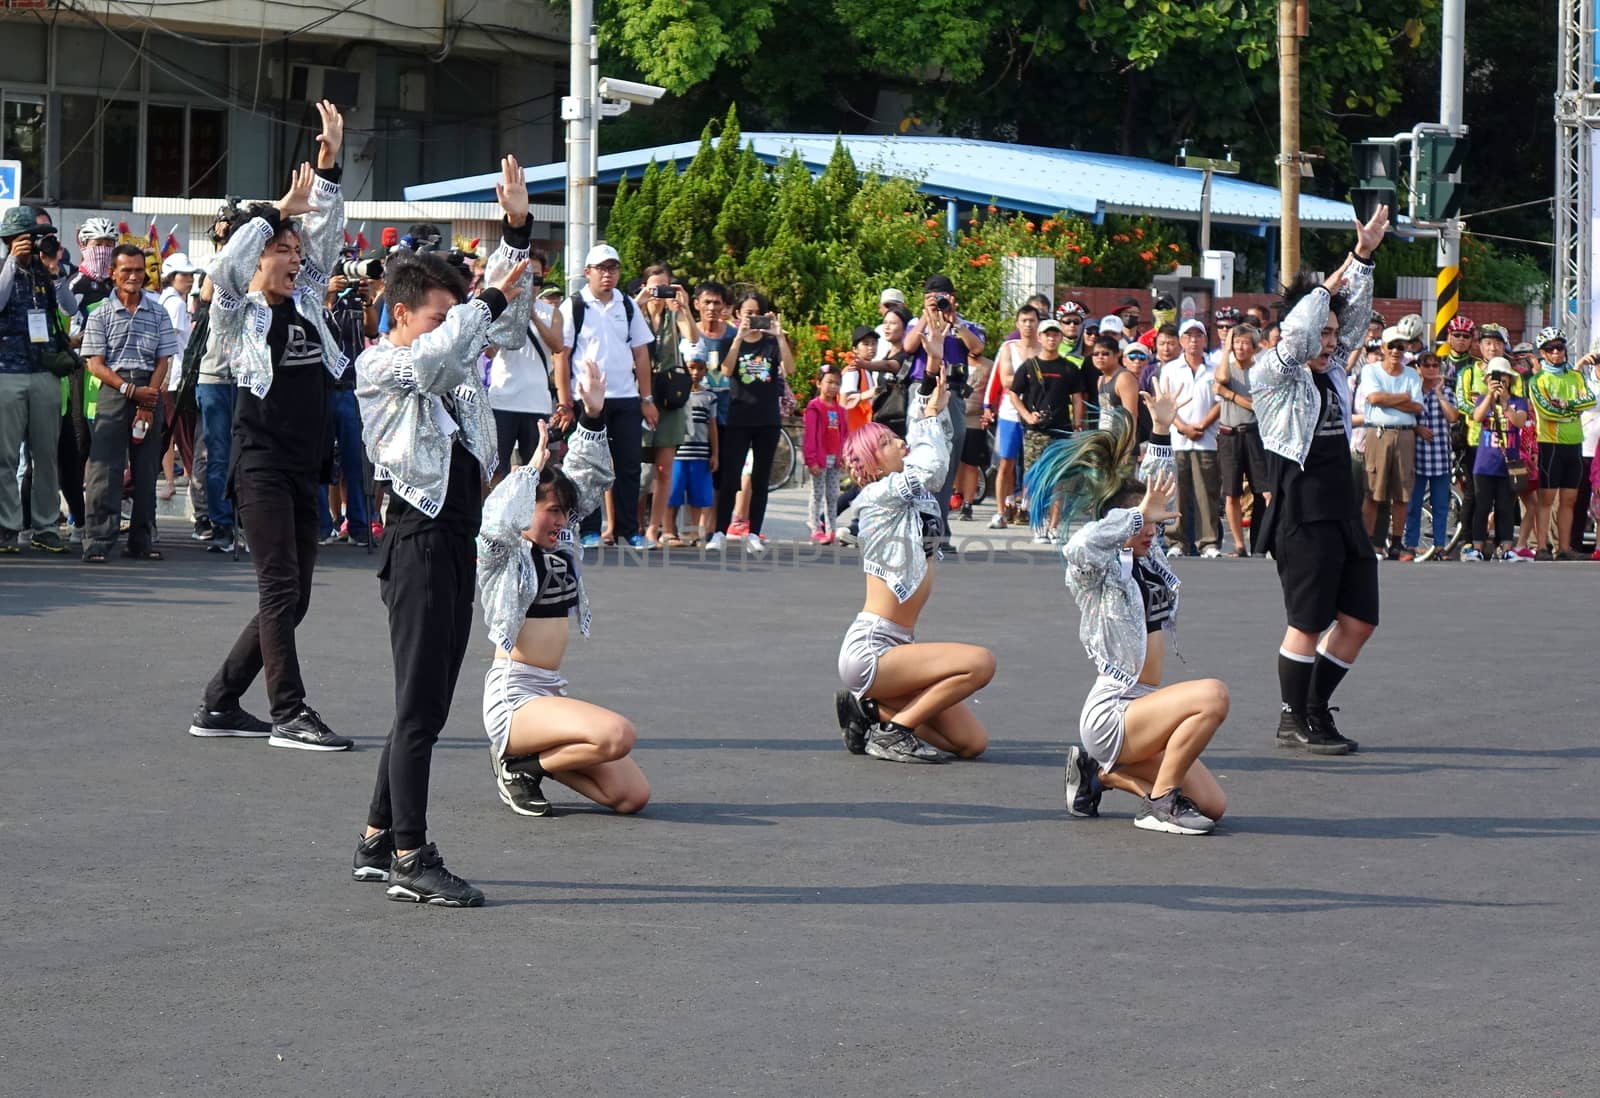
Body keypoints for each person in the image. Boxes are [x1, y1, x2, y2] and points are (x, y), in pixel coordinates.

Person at [346, 157, 534, 907]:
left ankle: (372, 838)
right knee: (421, 708)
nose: (452, 326)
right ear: (401, 313)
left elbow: (507, 325)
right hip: (417, 537)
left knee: (422, 701)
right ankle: (410, 855)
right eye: (438, 312)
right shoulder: (382, 363)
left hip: (455, 537)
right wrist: (480, 298)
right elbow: (441, 348)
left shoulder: (451, 357)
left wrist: (515, 234)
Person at [187, 101, 354, 752]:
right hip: (257, 467)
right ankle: (289, 711)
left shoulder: (307, 300)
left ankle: (219, 702)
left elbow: (330, 236)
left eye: (293, 250)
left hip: (303, 466)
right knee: (279, 590)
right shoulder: (239, 311)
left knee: (294, 600)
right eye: (279, 251)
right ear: (259, 258)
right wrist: (273, 214)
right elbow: (225, 268)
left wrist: (330, 162)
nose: (290, 257)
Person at [1027, 385, 1229, 834]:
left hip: (1146, 709)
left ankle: (1099, 774)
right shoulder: (1096, 574)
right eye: (1142, 524)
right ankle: (1158, 804)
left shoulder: (1151, 555)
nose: (1150, 532)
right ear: (1117, 524)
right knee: (1213, 694)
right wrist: (1135, 517)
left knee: (1214, 806)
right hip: (1114, 712)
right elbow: (1083, 543)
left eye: (1153, 525)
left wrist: (1159, 430)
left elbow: (1157, 491)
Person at [477, 359, 650, 824]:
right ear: (526, 506)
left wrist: (593, 416)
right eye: (550, 511)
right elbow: (495, 518)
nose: (559, 520)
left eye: (562, 512)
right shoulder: (503, 552)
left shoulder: (563, 540)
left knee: (632, 796)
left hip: (550, 694)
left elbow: (588, 478)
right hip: (514, 697)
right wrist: (528, 471)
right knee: (618, 734)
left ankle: (526, 766)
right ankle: (518, 761)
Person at [1251, 205, 1390, 757]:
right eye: (1323, 332)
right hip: (1301, 511)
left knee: (1359, 621)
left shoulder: (1331, 368)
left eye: (1334, 334)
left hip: (1342, 509)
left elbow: (1351, 318)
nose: (1332, 340)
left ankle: (1314, 708)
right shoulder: (1273, 372)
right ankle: (1292, 720)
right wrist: (1321, 292)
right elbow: (1305, 329)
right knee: (1307, 623)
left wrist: (1362, 256)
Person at [832, 358, 994, 764]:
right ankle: (896, 733)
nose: (900, 442)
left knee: (971, 744)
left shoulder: (911, 496)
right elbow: (933, 465)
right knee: (980, 663)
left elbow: (935, 460)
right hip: (874, 650)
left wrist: (928, 393)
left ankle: (871, 712)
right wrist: (929, 414)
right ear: (871, 461)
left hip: (900, 648)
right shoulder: (879, 497)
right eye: (888, 442)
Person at [79, 244, 178, 562]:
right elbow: (95, 364)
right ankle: (97, 540)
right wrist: (129, 391)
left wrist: (148, 399)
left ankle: (141, 540)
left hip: (149, 392)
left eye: (139, 270)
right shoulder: (101, 314)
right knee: (103, 470)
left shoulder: (158, 311)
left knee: (147, 469)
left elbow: (165, 359)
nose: (134, 276)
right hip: (114, 391)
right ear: (113, 274)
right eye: (127, 270)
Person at [557, 243, 655, 549]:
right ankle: (588, 529)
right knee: (587, 466)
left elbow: (641, 354)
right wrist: (565, 402)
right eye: (601, 268)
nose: (607, 274)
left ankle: (629, 529)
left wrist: (647, 399)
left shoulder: (628, 306)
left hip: (625, 397)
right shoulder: (574, 306)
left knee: (628, 466)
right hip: (588, 400)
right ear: (588, 272)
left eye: (613, 268)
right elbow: (562, 355)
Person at [0, 205, 75, 554]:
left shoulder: (47, 272)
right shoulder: (4, 269)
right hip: (7, 373)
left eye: (31, 238)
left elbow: (70, 308)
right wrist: (13, 263)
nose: (28, 244)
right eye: (21, 239)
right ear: (8, 241)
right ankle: (7, 527)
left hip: (45, 372)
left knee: (46, 455)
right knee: (5, 457)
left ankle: (46, 527)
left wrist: (54, 270)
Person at [710, 290, 793, 553]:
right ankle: (719, 531)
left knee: (760, 479)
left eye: (757, 314)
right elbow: (725, 371)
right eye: (748, 313)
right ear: (738, 315)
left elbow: (790, 369)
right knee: (730, 478)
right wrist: (738, 338)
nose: (752, 318)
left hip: (767, 419)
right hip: (738, 417)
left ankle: (754, 532)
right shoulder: (730, 341)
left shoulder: (771, 344)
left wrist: (779, 335)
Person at [637, 266, 700, 548]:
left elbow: (694, 338)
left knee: (664, 469)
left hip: (669, 397)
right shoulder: (634, 313)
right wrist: (639, 301)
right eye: (654, 287)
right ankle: (633, 524)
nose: (659, 293)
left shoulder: (674, 313)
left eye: (665, 286)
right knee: (636, 470)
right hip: (638, 394)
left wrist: (684, 306)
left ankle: (654, 528)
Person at [487, 250, 560, 487]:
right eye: (526, 278)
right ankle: (490, 521)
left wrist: (533, 315)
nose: (532, 284)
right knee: (495, 469)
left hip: (536, 404)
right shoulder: (501, 310)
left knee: (536, 472)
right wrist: (511, 316)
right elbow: (489, 350)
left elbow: (558, 345)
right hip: (502, 401)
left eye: (536, 279)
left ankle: (532, 523)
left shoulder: (551, 313)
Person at [1011, 317, 1086, 542]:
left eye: (1055, 334)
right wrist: (1027, 415)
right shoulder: (1029, 366)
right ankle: (1039, 524)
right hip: (1036, 432)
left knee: (1059, 480)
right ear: (1040, 338)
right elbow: (1014, 393)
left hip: (1061, 431)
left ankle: (1054, 526)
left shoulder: (1069, 368)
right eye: (1047, 334)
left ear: (1060, 337)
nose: (1051, 338)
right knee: (1036, 479)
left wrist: (1078, 424)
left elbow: (1078, 398)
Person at [1528, 326, 1597, 560]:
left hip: (1575, 443)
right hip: (1550, 444)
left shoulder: (1576, 376)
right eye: (1550, 349)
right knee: (1546, 499)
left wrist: (1564, 406)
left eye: (1559, 347)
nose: (1556, 353)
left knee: (1570, 499)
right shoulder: (1538, 380)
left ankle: (1564, 548)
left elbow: (1589, 401)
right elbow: (1546, 410)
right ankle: (1541, 546)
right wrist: (1571, 409)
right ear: (1543, 353)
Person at [1359, 325, 1423, 557]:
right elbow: (1374, 398)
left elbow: (1417, 406)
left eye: (1401, 346)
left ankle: (1397, 542)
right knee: (1374, 490)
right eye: (1392, 346)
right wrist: (1403, 398)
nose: (1397, 350)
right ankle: (1368, 541)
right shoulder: (1371, 371)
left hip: (1405, 433)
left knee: (1402, 492)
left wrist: (1388, 400)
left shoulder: (1412, 374)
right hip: (1379, 432)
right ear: (1383, 348)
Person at [1160, 319, 1222, 557]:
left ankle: (1208, 542)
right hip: (1178, 439)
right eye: (1189, 336)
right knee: (1176, 492)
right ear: (1182, 341)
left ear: (1205, 340)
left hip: (1207, 438)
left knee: (1206, 492)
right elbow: (1165, 403)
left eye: (1198, 336)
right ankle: (1176, 541)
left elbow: (1220, 402)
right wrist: (1183, 427)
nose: (1193, 340)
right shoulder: (1170, 369)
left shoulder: (1214, 369)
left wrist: (1203, 424)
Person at [1213, 323, 1269, 556]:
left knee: (1264, 492)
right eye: (1237, 342)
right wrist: (1226, 350)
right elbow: (1222, 378)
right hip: (1229, 435)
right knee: (1232, 492)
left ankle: (1261, 542)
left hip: (1254, 434)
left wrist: (1229, 395)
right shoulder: (1226, 366)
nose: (1240, 347)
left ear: (1255, 347)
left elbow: (1258, 406)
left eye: (1245, 342)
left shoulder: (1260, 371)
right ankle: (1238, 544)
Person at [982, 303, 1040, 528]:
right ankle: (1001, 509)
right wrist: (989, 405)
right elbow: (1004, 379)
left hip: (1034, 412)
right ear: (1017, 323)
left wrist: (1023, 381)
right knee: (1006, 463)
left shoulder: (1043, 348)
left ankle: (1025, 506)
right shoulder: (1008, 348)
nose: (1028, 325)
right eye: (1024, 320)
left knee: (1032, 463)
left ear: (1038, 323)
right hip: (1010, 412)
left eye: (1032, 321)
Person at [1467, 357, 1530, 561]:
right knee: (1482, 506)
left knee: (1505, 507)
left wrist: (1504, 402)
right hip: (1484, 465)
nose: (1500, 381)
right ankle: (1477, 546)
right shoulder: (1481, 399)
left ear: (1510, 379)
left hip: (1508, 464)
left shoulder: (1518, 401)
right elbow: (1477, 417)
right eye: (1495, 377)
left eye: (1504, 377)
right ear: (1487, 380)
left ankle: (1506, 548)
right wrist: (1490, 397)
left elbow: (1519, 422)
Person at [1400, 352, 1460, 560]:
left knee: (1441, 505)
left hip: (1440, 457)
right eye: (1427, 366)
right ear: (1418, 368)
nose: (1432, 369)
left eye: (1435, 366)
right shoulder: (1412, 392)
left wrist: (1440, 394)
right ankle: (1411, 545)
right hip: (1417, 457)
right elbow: (1404, 418)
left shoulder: (1447, 392)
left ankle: (1440, 546)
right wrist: (1417, 429)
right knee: (1413, 505)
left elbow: (1453, 417)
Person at [663, 352, 717, 546]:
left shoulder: (709, 397)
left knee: (697, 495)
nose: (695, 372)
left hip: (700, 453)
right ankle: (669, 531)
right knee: (673, 493)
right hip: (678, 452)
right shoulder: (676, 392)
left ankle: (694, 533)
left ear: (705, 371)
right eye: (691, 368)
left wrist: (715, 454)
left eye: (700, 368)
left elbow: (712, 426)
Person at [803, 365, 847, 543]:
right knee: (817, 493)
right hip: (819, 459)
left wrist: (844, 456)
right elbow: (810, 436)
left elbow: (845, 435)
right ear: (819, 383)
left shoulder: (840, 410)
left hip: (834, 458)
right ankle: (815, 525)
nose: (833, 387)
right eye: (829, 382)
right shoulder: (814, 407)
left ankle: (831, 529)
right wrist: (811, 459)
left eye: (837, 383)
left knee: (832, 495)